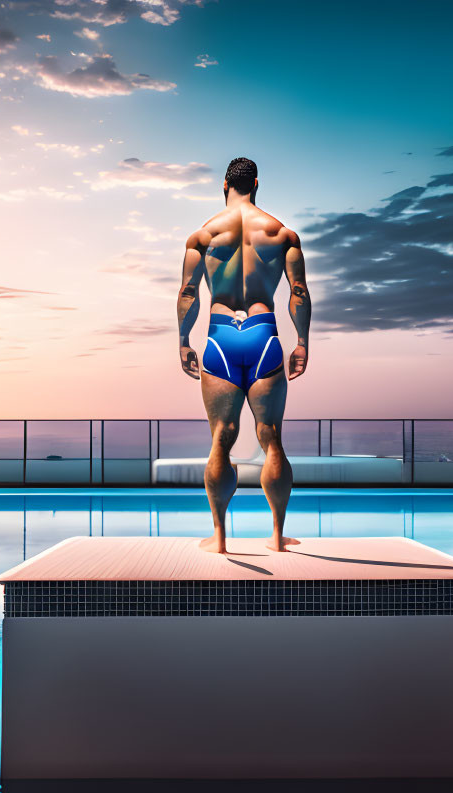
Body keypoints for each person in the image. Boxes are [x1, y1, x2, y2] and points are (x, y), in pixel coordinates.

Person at [176, 157, 311, 553]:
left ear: (224, 185)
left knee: (221, 439)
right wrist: (302, 342)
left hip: (219, 336)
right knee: (271, 439)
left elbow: (188, 293)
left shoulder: (203, 236)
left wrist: (184, 340)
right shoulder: (281, 234)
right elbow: (298, 291)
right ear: (256, 182)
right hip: (263, 333)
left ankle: (219, 539)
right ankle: (276, 537)